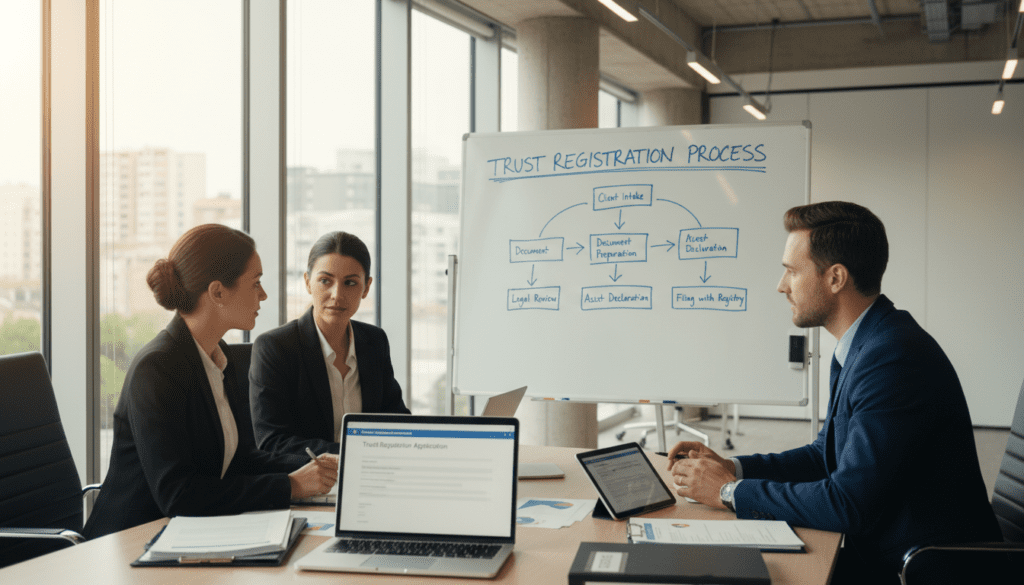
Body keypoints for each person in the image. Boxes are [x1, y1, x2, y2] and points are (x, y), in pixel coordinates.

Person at [667, 202, 1001, 583]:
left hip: (922, 568)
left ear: (836, 278)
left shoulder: (893, 358)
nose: (781, 285)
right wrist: (735, 468)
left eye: (792, 271)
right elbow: (824, 456)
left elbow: (848, 504)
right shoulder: (864, 344)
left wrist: (729, 492)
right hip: (885, 549)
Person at [83, 225, 337, 539]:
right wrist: (292, 486)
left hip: (192, 536)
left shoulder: (219, 358)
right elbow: (179, 495)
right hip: (131, 542)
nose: (263, 295)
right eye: (255, 283)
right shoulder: (157, 369)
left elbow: (239, 459)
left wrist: (319, 467)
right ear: (217, 292)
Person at [250, 231, 410, 457]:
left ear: (366, 287)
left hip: (371, 478)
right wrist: (352, 455)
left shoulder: (374, 341)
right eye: (325, 281)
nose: (337, 294)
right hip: (308, 485)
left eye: (350, 283)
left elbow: (397, 420)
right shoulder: (275, 347)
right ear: (307, 282)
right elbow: (273, 442)